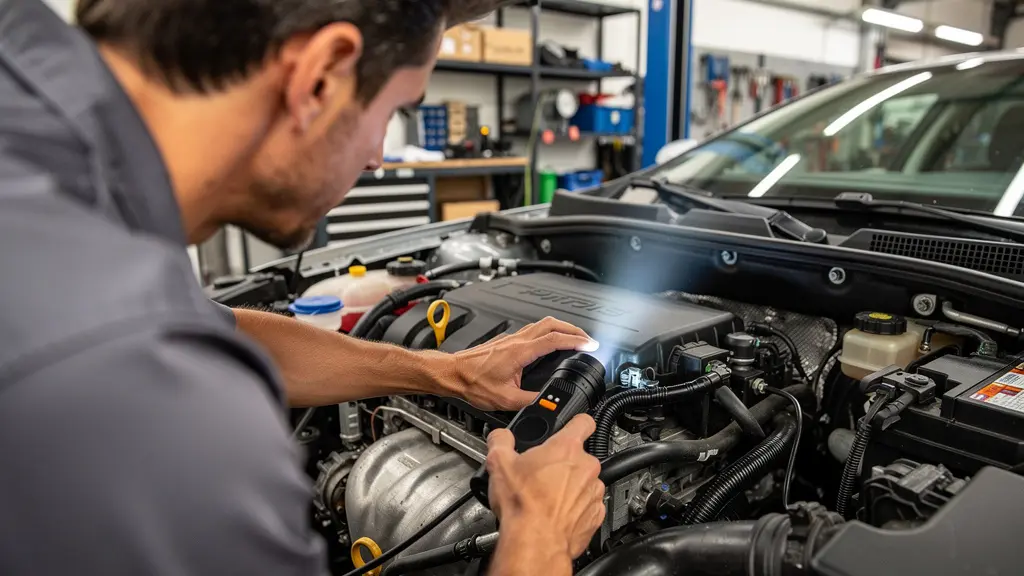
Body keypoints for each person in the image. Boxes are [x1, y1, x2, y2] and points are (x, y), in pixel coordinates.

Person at [0, 1, 605, 575]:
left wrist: (445, 372)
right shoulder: (156, 402)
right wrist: (538, 541)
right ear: (321, 76)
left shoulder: (27, 98)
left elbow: (217, 324)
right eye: (395, 111)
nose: (375, 159)